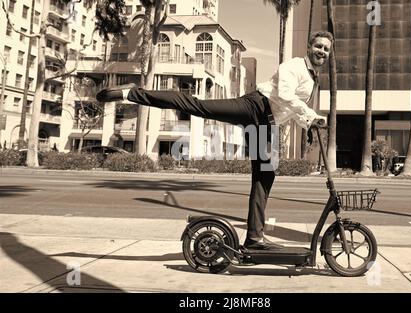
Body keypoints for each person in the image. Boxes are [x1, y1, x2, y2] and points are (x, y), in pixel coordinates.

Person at [96, 31, 333, 250]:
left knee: (265, 175)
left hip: (267, 123)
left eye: (326, 49)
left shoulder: (312, 79)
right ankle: (131, 93)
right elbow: (284, 95)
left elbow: (289, 110)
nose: (322, 51)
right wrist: (311, 116)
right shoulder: (294, 66)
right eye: (318, 46)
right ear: (309, 46)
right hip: (255, 107)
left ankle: (254, 237)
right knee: (198, 106)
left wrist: (309, 123)